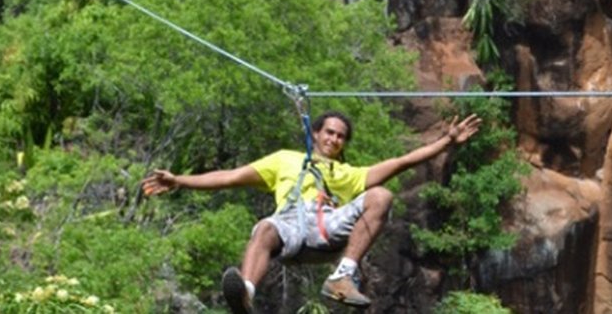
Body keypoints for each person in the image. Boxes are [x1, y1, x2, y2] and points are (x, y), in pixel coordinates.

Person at [141, 110, 482, 312]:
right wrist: (179, 180)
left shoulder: (348, 175)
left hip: (327, 227)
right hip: (289, 225)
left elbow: (404, 160)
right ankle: (246, 293)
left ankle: (342, 277)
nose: (334, 139)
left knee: (381, 196)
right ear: (315, 134)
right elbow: (229, 177)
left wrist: (446, 142)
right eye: (329, 132)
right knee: (264, 228)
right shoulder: (284, 160)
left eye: (341, 136)